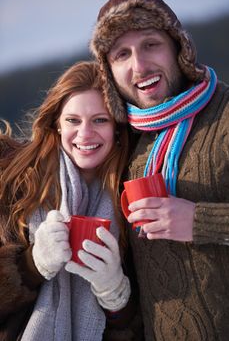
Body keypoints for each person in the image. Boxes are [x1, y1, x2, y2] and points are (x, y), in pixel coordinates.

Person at [90, 0, 229, 340]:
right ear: (109, 71)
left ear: (177, 48)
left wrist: (200, 221)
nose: (139, 66)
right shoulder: (122, 146)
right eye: (122, 54)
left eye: (150, 44)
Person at [0, 61, 143, 340]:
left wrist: (115, 294)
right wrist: (31, 265)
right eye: (73, 120)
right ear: (56, 124)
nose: (85, 134)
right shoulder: (11, 180)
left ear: (117, 127)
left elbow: (147, 320)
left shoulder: (132, 196)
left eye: (100, 120)